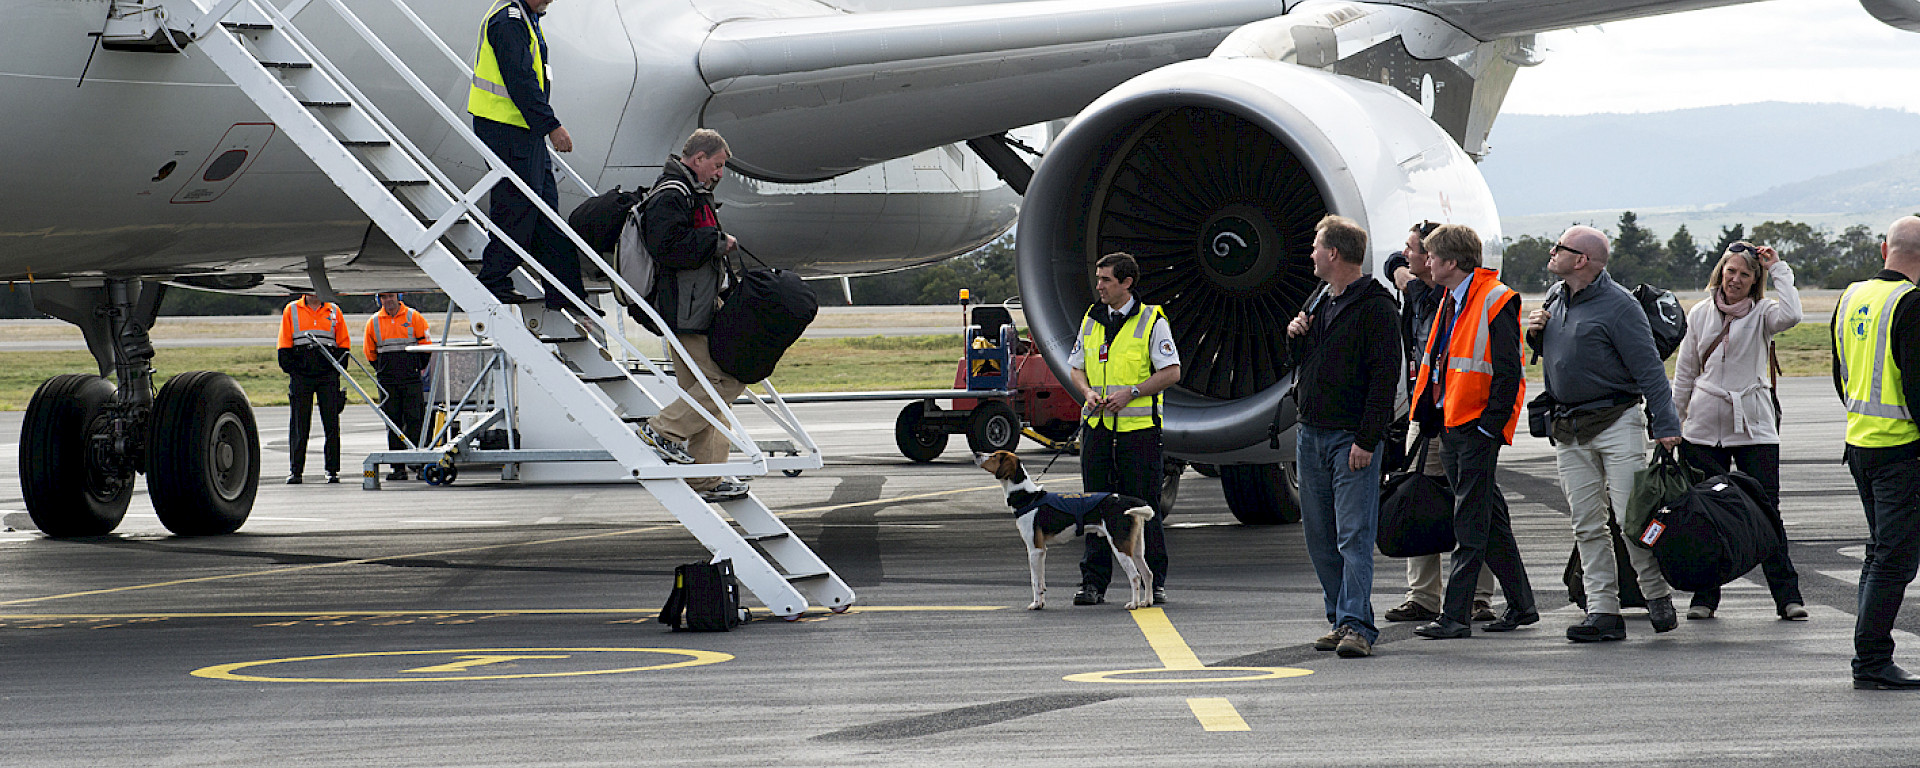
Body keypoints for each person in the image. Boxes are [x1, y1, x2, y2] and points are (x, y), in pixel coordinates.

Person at [1526, 225, 1685, 642]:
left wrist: (1666, 425)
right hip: (1568, 427)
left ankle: (1655, 594)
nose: (1551, 251)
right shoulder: (1557, 297)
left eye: (1558, 247)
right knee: (1586, 524)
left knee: (1631, 519)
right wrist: (1535, 334)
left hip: (1617, 423)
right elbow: (1562, 355)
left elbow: (1650, 370)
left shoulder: (1620, 307)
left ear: (1581, 260)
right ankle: (1603, 610)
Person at [1409, 224, 1539, 640]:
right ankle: (1522, 605)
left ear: (1451, 263)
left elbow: (1508, 372)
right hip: (1452, 426)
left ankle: (1456, 616)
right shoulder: (1451, 297)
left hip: (1474, 429)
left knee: (1469, 522)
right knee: (1490, 519)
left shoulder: (1494, 299)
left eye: (1431, 257)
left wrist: (1488, 429)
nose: (1426, 263)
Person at [1671, 241, 1806, 621]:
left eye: (1745, 275)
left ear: (1754, 282)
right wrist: (1672, 423)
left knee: (1767, 511)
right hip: (1702, 429)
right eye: (1731, 271)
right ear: (1720, 272)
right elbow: (1685, 373)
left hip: (1755, 428)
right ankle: (1704, 597)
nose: (1736, 279)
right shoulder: (1699, 314)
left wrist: (1778, 268)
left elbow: (1792, 314)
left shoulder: (1764, 313)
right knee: (1705, 513)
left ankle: (1787, 596)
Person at [1286, 215, 1399, 658]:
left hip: (1349, 438)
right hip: (1311, 433)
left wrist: (1368, 440)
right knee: (1319, 534)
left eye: (1316, 247)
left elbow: (1383, 379)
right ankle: (1339, 617)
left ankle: (1357, 625)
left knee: (1353, 534)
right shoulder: (1320, 301)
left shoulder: (1375, 307)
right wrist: (1295, 339)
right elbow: (1307, 364)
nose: (1311, 255)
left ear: (1334, 253)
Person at [1382, 221, 1499, 625]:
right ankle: (1424, 595)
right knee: (1420, 495)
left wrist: (1408, 279)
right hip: (1429, 411)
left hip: (1462, 415)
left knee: (1469, 502)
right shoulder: (1428, 291)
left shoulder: (1449, 298)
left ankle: (1478, 595)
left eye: (1418, 250)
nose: (1413, 256)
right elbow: (1393, 264)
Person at [635, 129, 748, 502]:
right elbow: (666, 246)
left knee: (701, 391)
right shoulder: (671, 194)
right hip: (686, 309)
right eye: (717, 165)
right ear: (698, 159)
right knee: (724, 380)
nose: (719, 174)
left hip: (695, 305)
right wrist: (717, 243)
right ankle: (661, 431)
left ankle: (705, 478)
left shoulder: (686, 192)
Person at [1833, 215, 1920, 690]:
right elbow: (1919, 386)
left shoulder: (1850, 297)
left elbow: (1840, 374)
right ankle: (1871, 660)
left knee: (1880, 553)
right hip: (1900, 450)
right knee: (1896, 559)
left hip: (1860, 444)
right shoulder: (1910, 303)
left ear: (1884, 249)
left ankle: (1870, 658)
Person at [1068, 252, 1181, 607]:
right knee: (1094, 508)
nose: (1098, 286)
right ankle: (1093, 583)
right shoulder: (1091, 318)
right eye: (1098, 278)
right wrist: (1086, 392)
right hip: (1098, 428)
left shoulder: (1152, 321)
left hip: (1139, 432)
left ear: (1127, 283)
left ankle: (1154, 581)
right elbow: (1076, 366)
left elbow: (1171, 371)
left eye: (1106, 280)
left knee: (1143, 508)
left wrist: (1131, 393)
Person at [468, 0, 587, 311]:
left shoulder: (527, 15)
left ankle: (567, 293)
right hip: (505, 128)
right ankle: (493, 280)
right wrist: (551, 126)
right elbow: (521, 81)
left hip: (523, 130)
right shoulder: (508, 21)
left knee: (545, 211)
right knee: (518, 206)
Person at [276, 291, 350, 484]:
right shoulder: (291, 310)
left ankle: (332, 470)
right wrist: (294, 368)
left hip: (327, 373)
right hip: (302, 373)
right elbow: (284, 342)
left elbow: (343, 343)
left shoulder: (334, 310)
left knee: (331, 423)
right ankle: (296, 470)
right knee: (300, 423)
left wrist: (336, 369)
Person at [365, 291, 434, 481]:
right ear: (379, 300)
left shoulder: (414, 317)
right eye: (384, 297)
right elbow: (369, 352)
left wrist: (417, 367)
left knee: (415, 420)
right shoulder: (374, 322)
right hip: (388, 380)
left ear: (398, 297)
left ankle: (419, 464)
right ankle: (398, 468)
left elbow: (426, 344)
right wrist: (382, 370)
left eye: (391, 296)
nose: (388, 300)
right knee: (392, 422)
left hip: (410, 378)